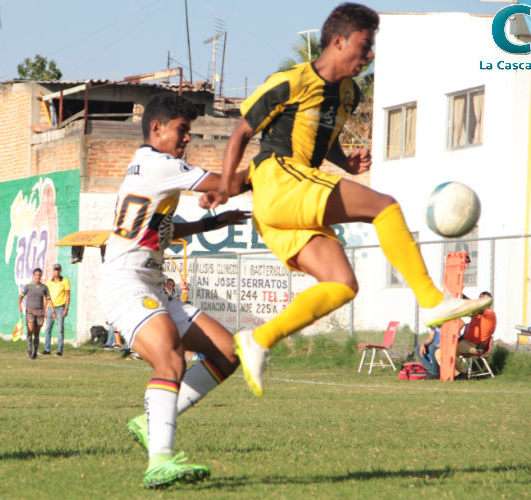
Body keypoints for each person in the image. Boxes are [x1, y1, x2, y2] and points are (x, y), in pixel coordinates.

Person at [200, 2, 492, 397]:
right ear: (338, 41)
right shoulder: (290, 80)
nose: (369, 55)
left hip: (283, 201)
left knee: (342, 284)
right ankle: (432, 301)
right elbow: (240, 135)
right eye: (364, 45)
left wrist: (345, 162)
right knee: (384, 206)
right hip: (278, 180)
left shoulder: (349, 94)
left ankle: (259, 339)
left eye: (372, 47)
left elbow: (324, 137)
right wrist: (220, 188)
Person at [97, 93, 251, 489]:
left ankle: (151, 420)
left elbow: (159, 228)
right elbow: (228, 182)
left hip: (147, 280)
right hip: (125, 282)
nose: (187, 140)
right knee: (171, 357)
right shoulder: (160, 163)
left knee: (228, 352)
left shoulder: (144, 166)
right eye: (183, 131)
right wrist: (273, 171)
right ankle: (159, 462)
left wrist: (208, 225)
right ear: (157, 128)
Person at [455, 291, 496, 376]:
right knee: (442, 351)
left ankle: (461, 373)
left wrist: (462, 296)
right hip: (466, 343)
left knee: (451, 349)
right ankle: (457, 373)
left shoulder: (490, 313)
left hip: (475, 346)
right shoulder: (476, 314)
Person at [19, 268, 50, 359]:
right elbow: (21, 296)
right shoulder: (28, 286)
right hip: (30, 311)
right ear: (33, 276)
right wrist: (19, 305)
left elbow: (48, 299)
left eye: (39, 275)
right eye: (36, 275)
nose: (38, 277)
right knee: (30, 329)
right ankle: (29, 351)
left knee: (37, 333)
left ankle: (35, 353)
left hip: (39, 311)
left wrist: (47, 309)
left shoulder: (44, 287)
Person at [43, 263, 70, 356]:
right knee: (48, 329)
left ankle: (59, 350)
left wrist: (66, 308)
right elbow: (46, 296)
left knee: (60, 329)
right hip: (50, 307)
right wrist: (44, 308)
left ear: (60, 271)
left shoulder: (65, 281)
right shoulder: (49, 282)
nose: (57, 272)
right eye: (55, 270)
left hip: (60, 307)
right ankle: (47, 349)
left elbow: (67, 295)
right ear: (53, 271)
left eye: (58, 270)